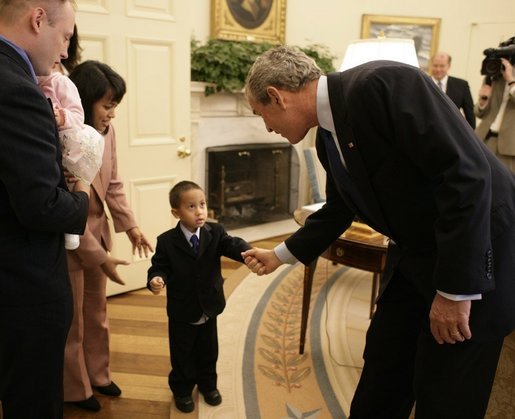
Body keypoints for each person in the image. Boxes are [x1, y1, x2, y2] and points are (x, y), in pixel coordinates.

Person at [242, 45, 515, 419]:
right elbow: (339, 208)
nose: (267, 127)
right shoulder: (327, 136)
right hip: (414, 255)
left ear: (277, 96)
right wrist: (279, 255)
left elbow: (466, 175)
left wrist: (454, 291)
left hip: (473, 250)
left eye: (262, 115)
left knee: (447, 391)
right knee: (382, 369)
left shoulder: (383, 83)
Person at [0, 1, 90, 418]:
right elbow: (45, 207)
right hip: (21, 291)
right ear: (38, 19)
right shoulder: (17, 90)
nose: (66, 53)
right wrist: (83, 193)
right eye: (66, 37)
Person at [63, 60, 153, 411]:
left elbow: (112, 184)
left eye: (115, 105)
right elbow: (67, 204)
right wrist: (98, 255)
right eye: (108, 105)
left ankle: (99, 375)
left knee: (96, 312)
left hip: (99, 234)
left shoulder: (107, 133)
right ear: (86, 101)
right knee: (72, 319)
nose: (113, 114)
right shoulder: (63, 139)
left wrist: (130, 225)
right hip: (70, 241)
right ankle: (74, 387)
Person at [147, 180, 251, 413]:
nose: (199, 211)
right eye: (191, 207)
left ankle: (208, 384)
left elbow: (231, 245)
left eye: (202, 204)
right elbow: (159, 266)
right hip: (182, 310)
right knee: (182, 353)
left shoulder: (215, 231)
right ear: (176, 212)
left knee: (208, 349)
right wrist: (156, 279)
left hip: (209, 306)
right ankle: (182, 389)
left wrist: (247, 252)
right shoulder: (167, 241)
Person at [38, 25, 104, 250]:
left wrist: (60, 117)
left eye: (68, 39)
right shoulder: (33, 80)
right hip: (49, 149)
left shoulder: (62, 82)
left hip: (69, 143)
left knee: (74, 182)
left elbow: (77, 115)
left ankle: (72, 229)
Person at [475, 51, 515, 172]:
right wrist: (483, 100)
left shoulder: (509, 79)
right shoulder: (494, 76)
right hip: (485, 138)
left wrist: (511, 80)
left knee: (504, 185)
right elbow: (479, 113)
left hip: (508, 145)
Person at [430, 51, 476, 128]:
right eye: (435, 65)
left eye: (442, 66)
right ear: (431, 65)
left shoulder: (462, 86)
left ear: (449, 66)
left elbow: (470, 115)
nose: (438, 70)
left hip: (451, 132)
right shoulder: (422, 83)